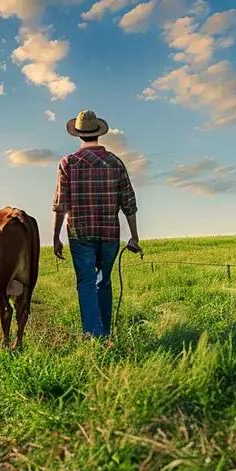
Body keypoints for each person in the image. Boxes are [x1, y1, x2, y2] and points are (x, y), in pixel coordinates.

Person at [51, 110, 140, 338]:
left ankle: (94, 335)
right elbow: (129, 202)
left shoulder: (68, 163)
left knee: (86, 283)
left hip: (80, 234)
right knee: (104, 282)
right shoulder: (115, 162)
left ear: (78, 135)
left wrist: (56, 237)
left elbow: (61, 205)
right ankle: (105, 333)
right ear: (98, 133)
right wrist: (134, 236)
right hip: (109, 234)